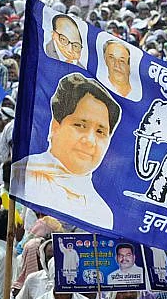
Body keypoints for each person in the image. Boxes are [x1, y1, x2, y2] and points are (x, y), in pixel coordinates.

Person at [11, 73, 120, 228]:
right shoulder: (24, 174)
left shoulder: (101, 212)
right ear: (55, 126)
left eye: (100, 132)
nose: (90, 140)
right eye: (81, 125)